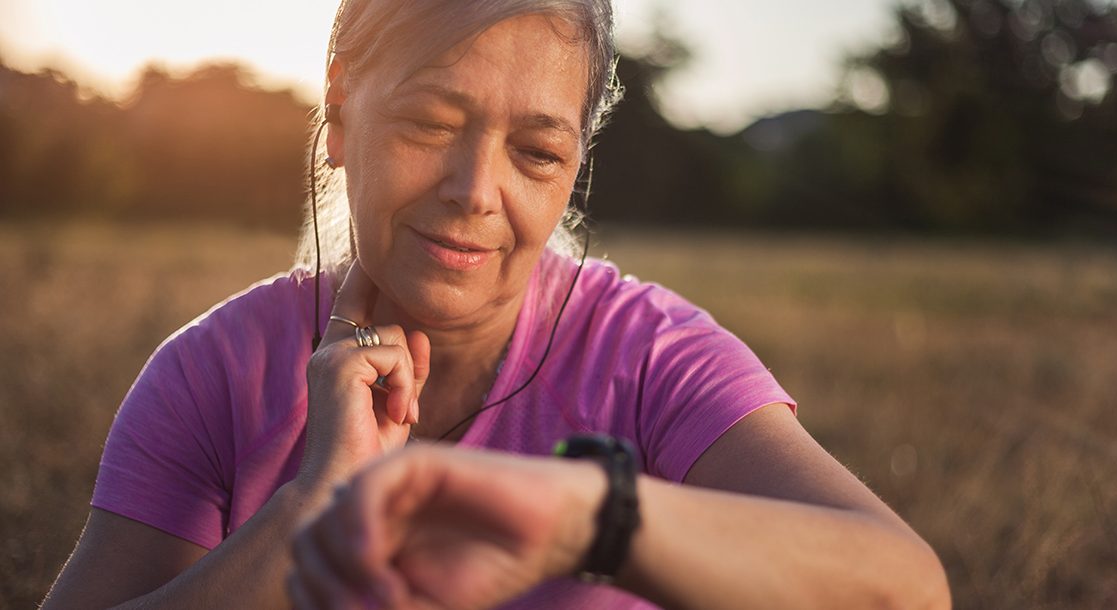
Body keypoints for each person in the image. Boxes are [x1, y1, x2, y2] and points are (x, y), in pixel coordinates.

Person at [43, 1, 951, 608]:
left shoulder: (652, 358)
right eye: (430, 125)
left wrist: (588, 516)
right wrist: (312, 505)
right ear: (343, 115)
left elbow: (905, 588)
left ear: (576, 172)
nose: (476, 190)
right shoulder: (216, 371)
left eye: (536, 154)